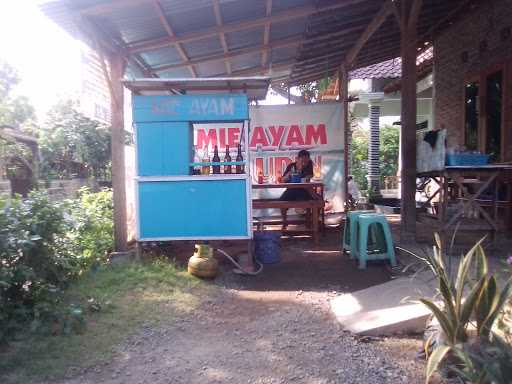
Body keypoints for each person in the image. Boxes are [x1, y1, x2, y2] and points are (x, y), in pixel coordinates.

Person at [279, 150, 314, 228]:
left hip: (303, 190)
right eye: (303, 160)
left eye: (306, 161)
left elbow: (308, 177)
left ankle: (310, 223)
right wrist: (289, 175)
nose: (305, 163)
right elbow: (282, 180)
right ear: (297, 159)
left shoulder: (309, 165)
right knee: (281, 203)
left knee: (315, 202)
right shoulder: (291, 166)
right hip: (291, 189)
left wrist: (301, 172)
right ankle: (285, 222)